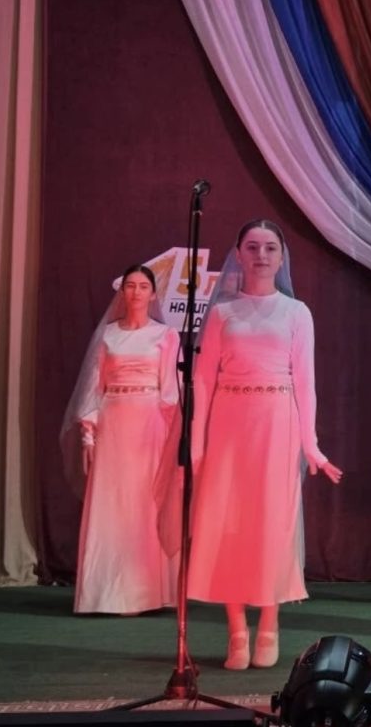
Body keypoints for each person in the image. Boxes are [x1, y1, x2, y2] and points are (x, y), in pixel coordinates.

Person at [186, 219, 342, 670]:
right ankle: (236, 630)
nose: (261, 255)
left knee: (272, 523)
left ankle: (270, 623)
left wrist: (311, 445)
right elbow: (202, 380)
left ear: (281, 256)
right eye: (252, 247)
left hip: (277, 424)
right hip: (229, 426)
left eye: (270, 247)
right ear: (238, 254)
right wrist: (196, 444)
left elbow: (306, 383)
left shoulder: (297, 312)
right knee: (229, 523)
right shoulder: (222, 313)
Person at [62, 264, 180, 615]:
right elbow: (93, 388)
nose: (136, 292)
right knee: (111, 504)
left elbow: (170, 393)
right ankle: (104, 595)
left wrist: (172, 442)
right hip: (113, 424)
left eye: (143, 286)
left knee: (145, 505)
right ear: (122, 291)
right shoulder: (108, 335)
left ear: (153, 294)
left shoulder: (166, 335)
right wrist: (88, 436)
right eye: (130, 285)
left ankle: (146, 592)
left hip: (150, 428)